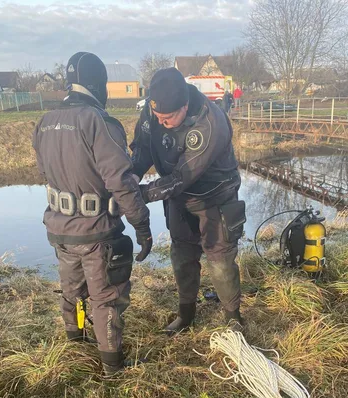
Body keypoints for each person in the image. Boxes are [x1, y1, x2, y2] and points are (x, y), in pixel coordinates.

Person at [33, 52, 152, 376]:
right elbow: (121, 182)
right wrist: (141, 225)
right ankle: (113, 369)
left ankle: (75, 344)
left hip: (60, 230)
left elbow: (45, 170)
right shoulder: (100, 122)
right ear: (98, 85)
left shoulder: (45, 122)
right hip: (97, 233)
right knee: (106, 299)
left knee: (71, 290)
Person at [130, 67, 245, 334]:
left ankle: (233, 317)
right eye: (157, 115)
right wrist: (132, 175)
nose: (161, 122)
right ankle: (186, 314)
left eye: (168, 117)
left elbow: (182, 176)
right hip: (180, 198)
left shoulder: (209, 123)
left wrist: (141, 195)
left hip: (215, 195)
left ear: (184, 106)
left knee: (220, 258)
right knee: (181, 254)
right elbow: (143, 146)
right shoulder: (153, 111)